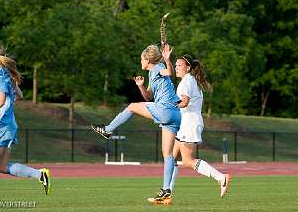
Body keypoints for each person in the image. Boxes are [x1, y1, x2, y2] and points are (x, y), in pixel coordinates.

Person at [91, 44, 181, 205]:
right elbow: (148, 97)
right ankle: (166, 191)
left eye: (141, 59)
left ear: (147, 60)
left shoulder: (158, 68)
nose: (140, 61)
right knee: (168, 155)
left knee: (132, 106)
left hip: (165, 110)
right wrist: (140, 86)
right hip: (175, 115)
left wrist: (167, 59)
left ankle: (108, 130)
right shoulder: (153, 75)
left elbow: (170, 72)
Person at [0, 46, 51, 212]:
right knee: (2, 167)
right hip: (8, 125)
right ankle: (40, 175)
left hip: (1, 126)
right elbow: (18, 95)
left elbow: (0, 101)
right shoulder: (6, 75)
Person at [168, 54, 231, 199]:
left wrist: (168, 105)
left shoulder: (186, 81)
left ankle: (221, 178)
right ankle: (167, 193)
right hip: (188, 123)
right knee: (171, 157)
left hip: (189, 124)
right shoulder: (190, 80)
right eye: (176, 65)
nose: (176, 67)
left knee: (187, 161)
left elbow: (184, 102)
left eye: (179, 65)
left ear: (188, 67)